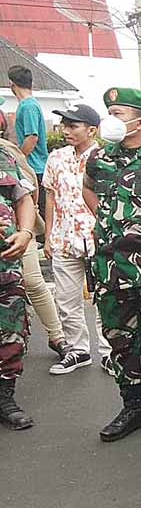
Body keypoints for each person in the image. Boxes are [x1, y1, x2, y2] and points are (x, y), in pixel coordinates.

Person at [83, 87, 141, 443]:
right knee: (120, 339)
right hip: (110, 267)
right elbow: (89, 189)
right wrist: (108, 221)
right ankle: (134, 406)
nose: (109, 120)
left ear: (140, 121)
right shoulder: (99, 158)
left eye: (116, 113)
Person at [44, 104, 112, 375]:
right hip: (63, 238)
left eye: (73, 126)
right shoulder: (56, 158)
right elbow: (49, 196)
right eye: (64, 125)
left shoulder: (106, 157)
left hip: (98, 239)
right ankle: (78, 350)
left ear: (92, 130)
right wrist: (48, 235)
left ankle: (109, 352)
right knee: (66, 300)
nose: (66, 130)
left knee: (104, 299)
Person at [0, 104, 68, 361]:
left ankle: (57, 336)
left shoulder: (6, 153)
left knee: (32, 282)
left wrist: (26, 231)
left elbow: (29, 192)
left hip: (16, 237)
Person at [0, 113, 38, 430]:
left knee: (11, 330)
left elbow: (22, 198)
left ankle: (5, 397)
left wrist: (25, 232)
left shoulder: (5, 155)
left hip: (5, 263)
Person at [8, 66, 49, 215]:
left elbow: (32, 137)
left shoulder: (28, 106)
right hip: (33, 167)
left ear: (12, 84)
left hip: (34, 168)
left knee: (37, 213)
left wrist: (19, 159)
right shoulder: (28, 105)